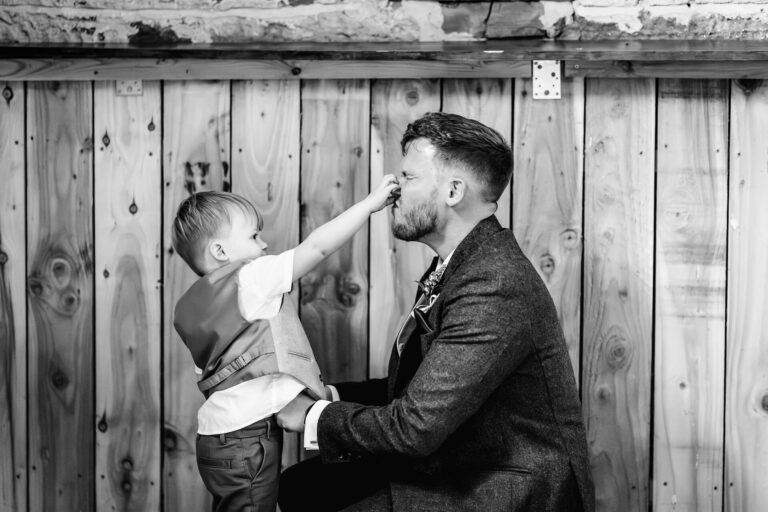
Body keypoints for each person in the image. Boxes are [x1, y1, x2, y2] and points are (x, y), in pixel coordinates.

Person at [276, 112, 595, 512]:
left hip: (502, 485)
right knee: (302, 486)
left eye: (408, 178)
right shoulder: (463, 262)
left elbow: (416, 427)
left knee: (309, 496)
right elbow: (420, 389)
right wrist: (331, 395)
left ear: (453, 191)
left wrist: (314, 417)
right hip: (457, 461)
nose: (392, 190)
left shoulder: (493, 282)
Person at [170, 176, 400, 512]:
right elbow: (316, 248)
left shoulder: (192, 308)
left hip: (216, 440)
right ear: (220, 251)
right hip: (248, 441)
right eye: (253, 236)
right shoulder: (249, 279)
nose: (264, 245)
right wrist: (368, 205)